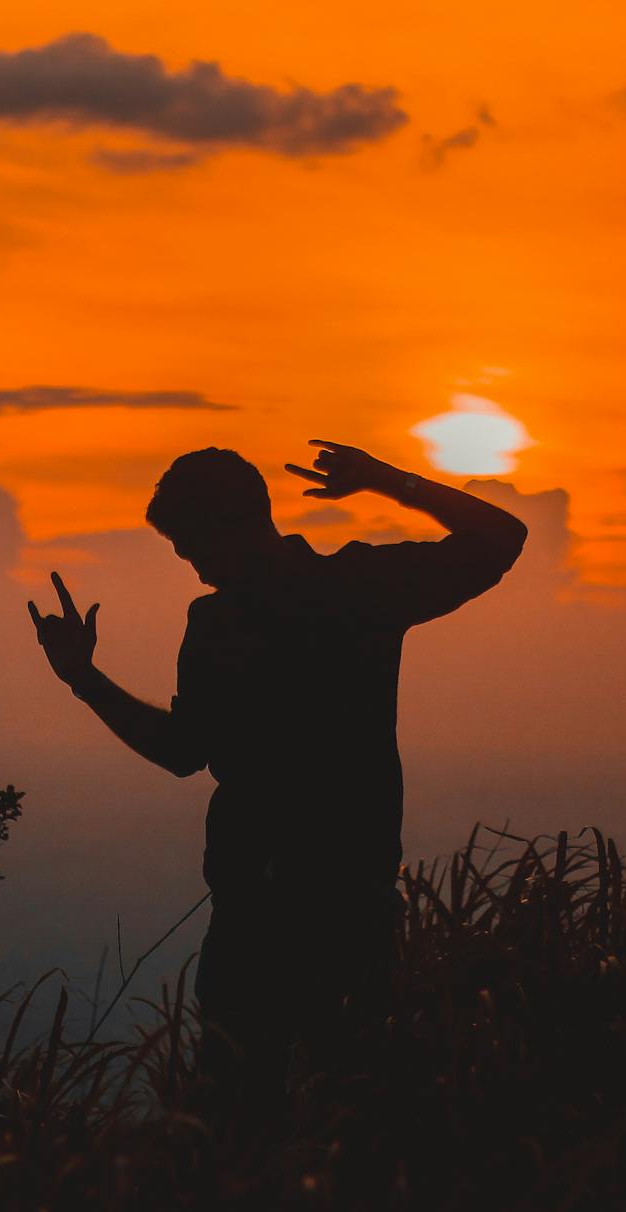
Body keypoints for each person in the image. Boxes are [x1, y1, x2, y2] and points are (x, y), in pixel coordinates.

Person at [28, 440, 527, 1109]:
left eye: (190, 543)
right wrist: (384, 481)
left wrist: (84, 680)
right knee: (348, 1102)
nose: (189, 563)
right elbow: (498, 538)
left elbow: (180, 751)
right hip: (345, 901)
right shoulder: (358, 589)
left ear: (231, 527)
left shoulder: (225, 621)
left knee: (240, 1115)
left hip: (261, 919)